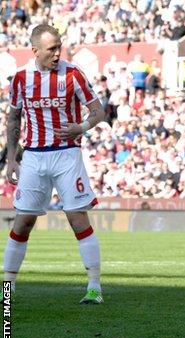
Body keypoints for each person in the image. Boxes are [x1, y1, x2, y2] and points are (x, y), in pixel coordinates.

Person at [3, 24, 107, 304]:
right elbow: (14, 118)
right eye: (52, 49)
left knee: (77, 218)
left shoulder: (73, 74)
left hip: (66, 154)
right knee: (23, 222)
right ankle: (8, 289)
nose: (58, 53)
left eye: (59, 47)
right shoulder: (22, 79)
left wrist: (81, 127)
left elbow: (99, 111)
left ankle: (94, 287)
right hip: (34, 156)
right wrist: (12, 157)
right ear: (35, 50)